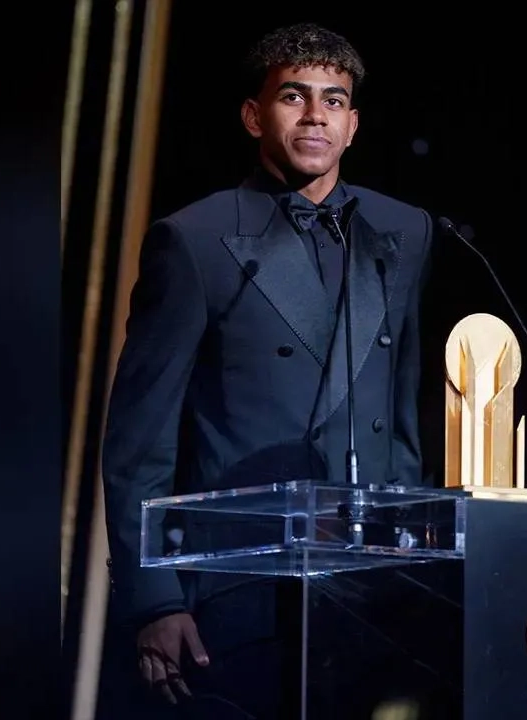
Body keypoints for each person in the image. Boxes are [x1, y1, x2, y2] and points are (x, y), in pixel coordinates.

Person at [100, 22, 434, 719]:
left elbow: (401, 417)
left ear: (353, 125)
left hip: (367, 590)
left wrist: (411, 566)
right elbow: (139, 444)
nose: (315, 115)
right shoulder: (194, 240)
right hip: (236, 589)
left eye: (333, 101)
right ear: (254, 116)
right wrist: (154, 601)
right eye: (293, 96)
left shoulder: (404, 231)